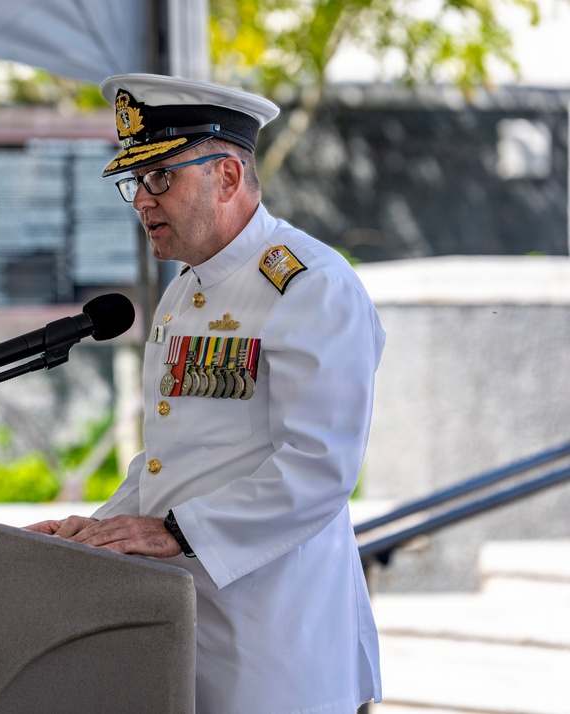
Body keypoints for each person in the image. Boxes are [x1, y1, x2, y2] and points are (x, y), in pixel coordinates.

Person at [26, 73, 385, 713]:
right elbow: (174, 459)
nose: (141, 200)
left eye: (160, 177)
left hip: (276, 643)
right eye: (134, 182)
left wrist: (174, 533)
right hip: (183, 625)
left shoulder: (310, 284)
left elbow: (319, 467)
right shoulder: (183, 291)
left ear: (226, 175)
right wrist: (94, 533)